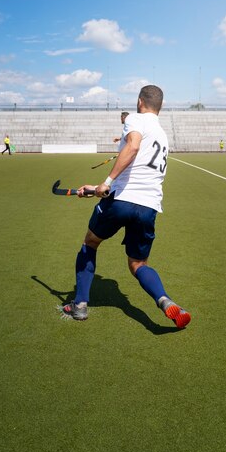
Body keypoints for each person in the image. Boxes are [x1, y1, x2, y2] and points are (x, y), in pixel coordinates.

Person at [59, 85, 191, 329]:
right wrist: (98, 188)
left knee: (90, 242)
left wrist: (106, 183)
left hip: (122, 199)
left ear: (140, 101)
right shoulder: (162, 134)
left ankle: (79, 305)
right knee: (138, 264)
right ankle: (164, 300)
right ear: (159, 106)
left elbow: (132, 147)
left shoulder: (135, 118)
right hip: (149, 206)